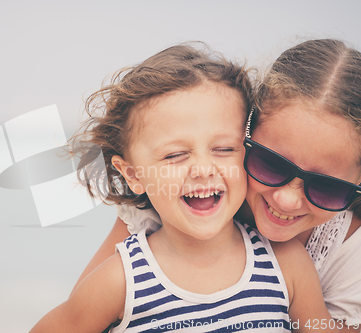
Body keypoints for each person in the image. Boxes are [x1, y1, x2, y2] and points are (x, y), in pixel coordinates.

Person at [30, 43, 336, 332]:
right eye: (175, 155)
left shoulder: (286, 264)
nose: (203, 169)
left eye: (224, 149)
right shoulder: (120, 281)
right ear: (133, 174)